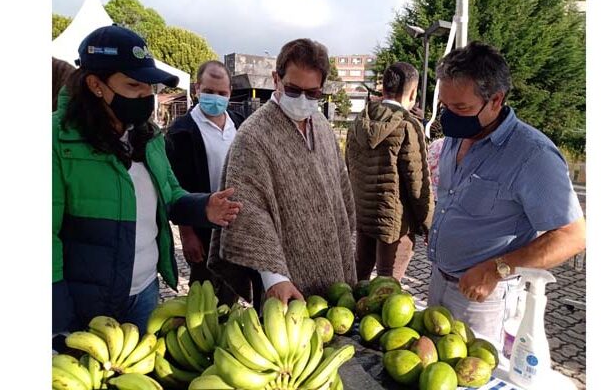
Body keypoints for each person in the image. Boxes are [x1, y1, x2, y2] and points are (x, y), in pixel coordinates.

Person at [52, 25, 242, 338]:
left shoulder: (149, 137)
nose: (146, 96)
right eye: (134, 85)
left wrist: (204, 207)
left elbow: (171, 194)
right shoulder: (58, 141)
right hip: (84, 301)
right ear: (96, 85)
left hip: (144, 293)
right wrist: (58, 318)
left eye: (149, 87)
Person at [426, 41, 586, 349]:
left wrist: (495, 269)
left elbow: (573, 235)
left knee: (472, 376)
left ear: (496, 100)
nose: (450, 117)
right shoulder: (457, 136)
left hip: (483, 299)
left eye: (461, 108)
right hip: (438, 280)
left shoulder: (533, 155)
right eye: (446, 106)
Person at [208, 38, 357, 306]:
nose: (302, 99)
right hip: (284, 278)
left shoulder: (322, 125)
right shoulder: (252, 136)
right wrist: (274, 278)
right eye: (293, 89)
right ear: (276, 79)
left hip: (332, 265)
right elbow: (249, 211)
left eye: (312, 93)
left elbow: (340, 190)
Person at [165, 60, 245, 305]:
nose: (215, 98)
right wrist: (187, 234)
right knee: (203, 291)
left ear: (230, 93)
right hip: (201, 225)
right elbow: (176, 187)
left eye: (222, 93)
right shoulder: (182, 131)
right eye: (209, 91)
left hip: (235, 224)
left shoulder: (240, 123)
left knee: (233, 286)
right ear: (197, 89)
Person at [345, 62, 433, 282]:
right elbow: (418, 184)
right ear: (412, 93)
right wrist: (429, 225)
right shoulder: (408, 126)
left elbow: (350, 168)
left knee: (360, 275)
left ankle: (351, 313)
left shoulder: (358, 121)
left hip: (363, 215)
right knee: (388, 285)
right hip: (395, 224)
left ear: (383, 88)